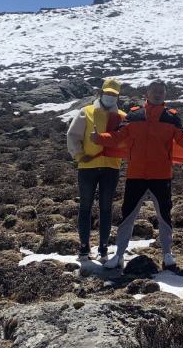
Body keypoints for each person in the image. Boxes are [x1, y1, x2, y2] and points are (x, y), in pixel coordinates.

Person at [93, 80, 183, 270]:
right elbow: (118, 136)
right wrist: (99, 138)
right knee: (127, 215)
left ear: (165, 95)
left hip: (161, 176)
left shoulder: (172, 117)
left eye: (161, 92)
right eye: (155, 91)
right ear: (147, 93)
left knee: (164, 216)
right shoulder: (134, 115)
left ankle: (167, 254)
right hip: (135, 175)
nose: (158, 94)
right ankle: (119, 254)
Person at [66, 78, 124, 261]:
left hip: (111, 167)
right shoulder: (87, 112)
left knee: (106, 208)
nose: (110, 97)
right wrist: (78, 155)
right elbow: (73, 135)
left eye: (114, 94)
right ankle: (84, 248)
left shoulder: (122, 117)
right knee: (85, 207)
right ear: (101, 93)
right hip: (88, 167)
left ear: (118, 96)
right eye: (108, 93)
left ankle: (103, 248)